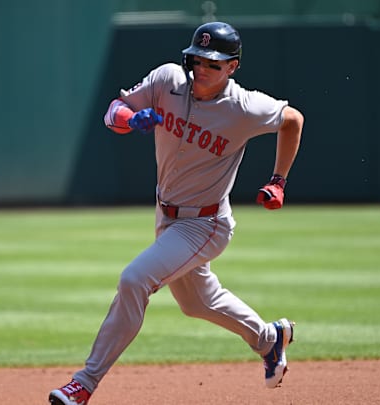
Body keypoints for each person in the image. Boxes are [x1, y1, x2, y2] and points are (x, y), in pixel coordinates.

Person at [49, 21, 304, 405]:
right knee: (196, 302)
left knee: (134, 280)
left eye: (213, 64)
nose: (201, 68)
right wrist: (130, 120)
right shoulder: (168, 79)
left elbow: (293, 120)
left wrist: (278, 180)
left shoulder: (245, 107)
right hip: (166, 215)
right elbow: (113, 111)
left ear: (233, 67)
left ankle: (84, 383)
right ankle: (269, 339)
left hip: (205, 222)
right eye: (197, 59)